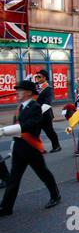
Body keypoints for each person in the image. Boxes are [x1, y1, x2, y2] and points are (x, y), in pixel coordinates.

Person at [0, 80, 61, 217]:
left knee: (43, 173)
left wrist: (5, 130)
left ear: (28, 92)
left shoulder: (35, 107)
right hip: (19, 147)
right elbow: (18, 128)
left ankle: (55, 195)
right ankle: (6, 207)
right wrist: (12, 143)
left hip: (31, 147)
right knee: (13, 179)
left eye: (20, 90)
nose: (17, 92)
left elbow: (30, 125)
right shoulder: (20, 107)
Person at [35, 69, 61, 153]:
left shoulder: (48, 89)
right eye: (36, 76)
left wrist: (39, 111)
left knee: (49, 132)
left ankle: (56, 146)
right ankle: (39, 148)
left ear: (45, 78)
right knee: (35, 133)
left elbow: (48, 102)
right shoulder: (35, 87)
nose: (37, 78)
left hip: (45, 114)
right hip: (36, 115)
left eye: (39, 76)